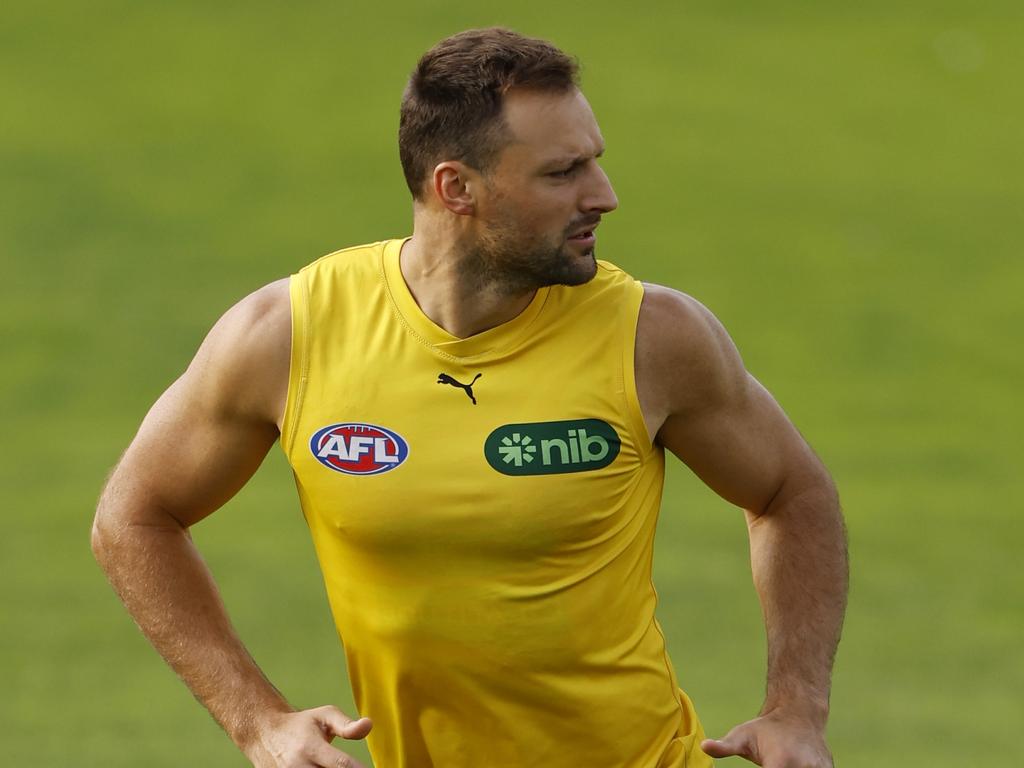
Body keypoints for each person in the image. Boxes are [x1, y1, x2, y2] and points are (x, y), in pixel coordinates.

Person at [92, 27, 847, 768]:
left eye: (596, 162)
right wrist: (256, 722)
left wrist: (796, 710)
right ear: (457, 187)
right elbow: (133, 518)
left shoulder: (654, 337)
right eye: (563, 172)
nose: (604, 196)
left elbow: (791, 492)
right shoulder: (288, 336)